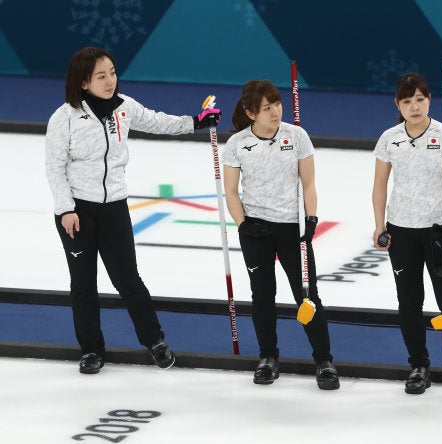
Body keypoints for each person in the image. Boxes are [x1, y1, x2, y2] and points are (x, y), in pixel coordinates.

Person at [45, 46, 221, 374]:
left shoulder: (124, 108)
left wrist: (196, 122)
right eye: (101, 76)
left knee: (128, 279)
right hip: (77, 212)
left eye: (112, 72)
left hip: (114, 207)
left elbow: (157, 122)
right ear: (83, 83)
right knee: (83, 283)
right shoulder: (64, 118)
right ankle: (92, 350)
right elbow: (55, 168)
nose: (110, 80)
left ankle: (154, 340)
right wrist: (66, 209)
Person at [222, 79, 339, 390]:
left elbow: (309, 183)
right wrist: (243, 224)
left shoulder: (296, 136)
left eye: (277, 104)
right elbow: (231, 192)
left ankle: (324, 360)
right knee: (262, 296)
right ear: (250, 113)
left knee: (307, 295)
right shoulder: (236, 144)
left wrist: (311, 219)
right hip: (256, 228)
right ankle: (268, 357)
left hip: (291, 228)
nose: (275, 111)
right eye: (266, 108)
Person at [372, 72, 442, 401]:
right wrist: (379, 224)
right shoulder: (389, 138)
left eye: (420, 99)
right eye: (406, 101)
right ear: (397, 105)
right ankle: (419, 366)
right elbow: (379, 186)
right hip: (401, 231)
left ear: (429, 100)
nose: (414, 107)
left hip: (438, 232)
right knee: (409, 303)